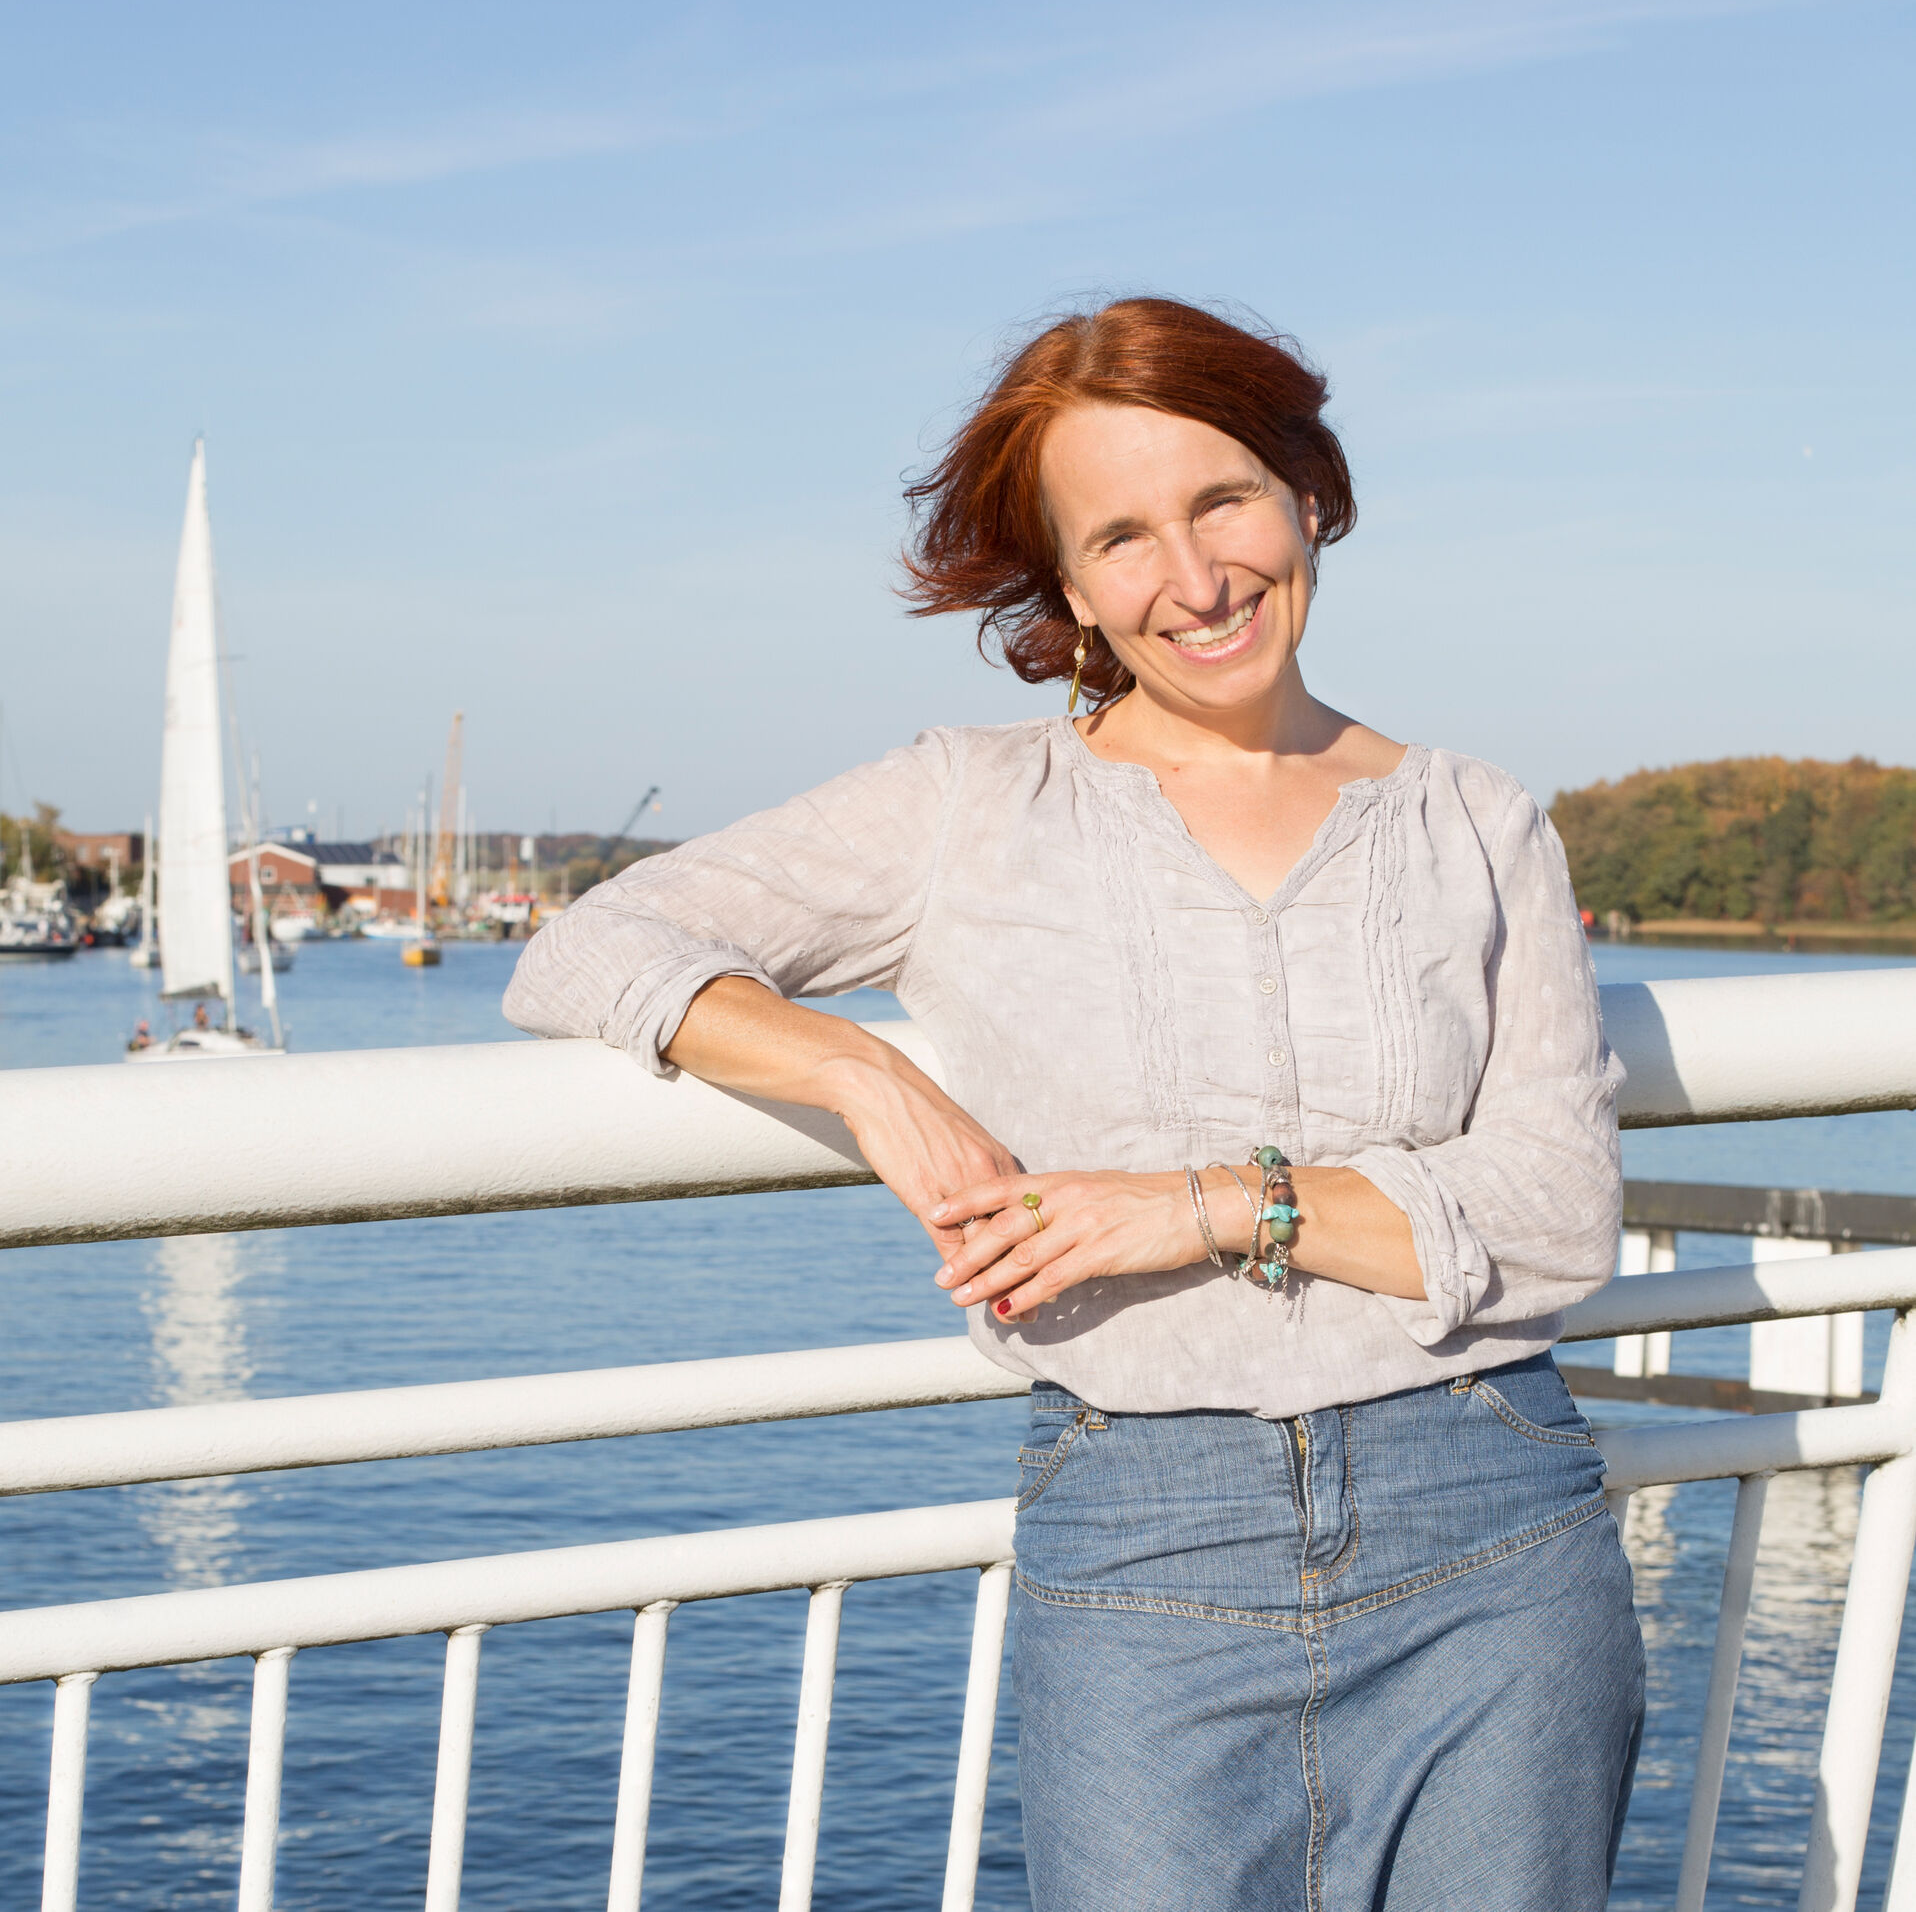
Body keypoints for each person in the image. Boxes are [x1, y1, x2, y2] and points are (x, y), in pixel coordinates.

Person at [504, 297, 1642, 1911]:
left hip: (1494, 1521)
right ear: (1072, 587)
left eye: (1224, 500)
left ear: (1307, 490)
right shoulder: (970, 808)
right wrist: (862, 1072)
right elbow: (592, 944)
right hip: (1143, 1538)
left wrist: (1195, 1204)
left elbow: (1553, 1214)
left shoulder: (1473, 820)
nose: (1195, 579)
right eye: (1122, 537)